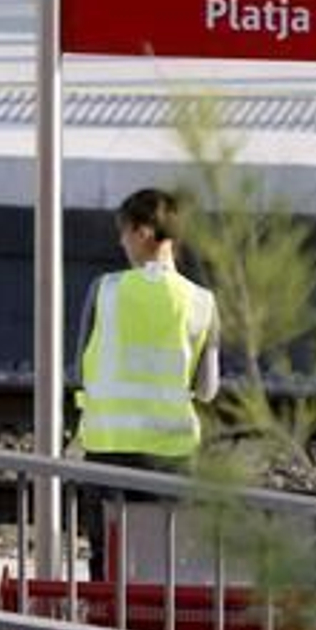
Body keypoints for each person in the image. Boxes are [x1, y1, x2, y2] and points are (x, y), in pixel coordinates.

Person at [75, 188, 219, 581]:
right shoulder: (201, 301)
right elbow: (208, 388)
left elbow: (79, 370)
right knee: (163, 568)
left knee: (108, 566)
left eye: (123, 233)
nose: (121, 243)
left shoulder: (104, 290)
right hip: (170, 458)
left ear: (142, 232)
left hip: (108, 451)